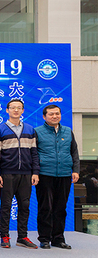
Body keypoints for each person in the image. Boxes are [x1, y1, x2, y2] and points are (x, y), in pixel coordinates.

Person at [0, 99, 39, 249]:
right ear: (7, 110)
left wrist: (35, 172)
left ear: (23, 110)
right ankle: (4, 236)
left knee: (25, 206)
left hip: (26, 174)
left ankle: (22, 237)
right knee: (6, 206)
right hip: (7, 174)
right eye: (13, 108)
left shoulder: (30, 129)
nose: (16, 110)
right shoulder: (0, 129)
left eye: (19, 108)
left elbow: (34, 153)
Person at [35, 104, 80, 249]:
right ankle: (44, 238)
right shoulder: (37, 132)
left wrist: (76, 170)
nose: (55, 116)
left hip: (65, 174)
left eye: (57, 114)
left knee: (60, 208)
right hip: (45, 174)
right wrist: (35, 172)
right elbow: (33, 154)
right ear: (44, 116)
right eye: (51, 114)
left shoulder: (67, 131)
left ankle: (58, 238)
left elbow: (74, 152)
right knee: (45, 207)